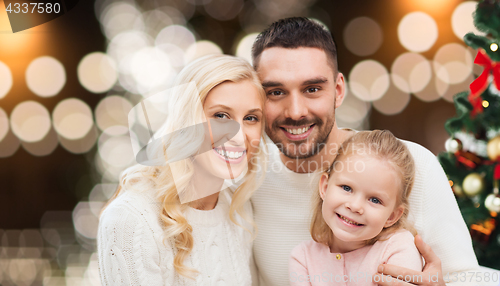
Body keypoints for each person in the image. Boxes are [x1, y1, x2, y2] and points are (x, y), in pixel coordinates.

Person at [250, 17, 479, 286]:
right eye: (276, 92)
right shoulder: (246, 181)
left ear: (337, 90)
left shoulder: (415, 166)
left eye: (312, 89)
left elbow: (470, 278)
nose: (296, 111)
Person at [97, 54, 267, 285]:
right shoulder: (131, 218)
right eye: (220, 115)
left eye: (251, 118)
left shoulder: (239, 211)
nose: (238, 136)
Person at [289, 130, 422, 285]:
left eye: (374, 200)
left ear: (392, 216)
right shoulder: (303, 258)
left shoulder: (399, 247)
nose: (354, 206)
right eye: (346, 188)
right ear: (325, 187)